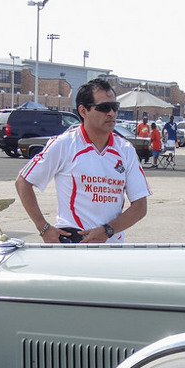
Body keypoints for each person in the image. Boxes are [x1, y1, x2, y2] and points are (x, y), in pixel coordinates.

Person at [15, 77, 150, 244]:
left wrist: (107, 231)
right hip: (73, 248)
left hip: (112, 250)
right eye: (104, 108)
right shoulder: (64, 145)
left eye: (115, 107)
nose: (111, 113)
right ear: (83, 111)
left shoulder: (126, 150)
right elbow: (23, 182)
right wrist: (43, 228)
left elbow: (140, 207)